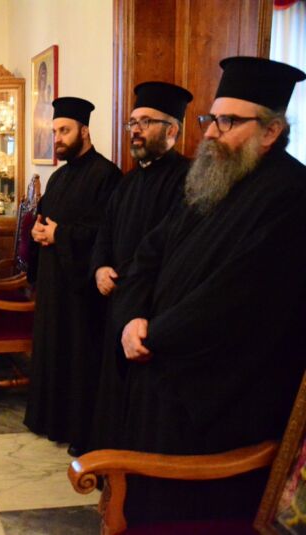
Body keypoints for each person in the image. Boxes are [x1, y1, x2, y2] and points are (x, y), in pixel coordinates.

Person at [114, 56, 306, 524]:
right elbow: (150, 251)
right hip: (157, 362)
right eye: (210, 119)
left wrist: (155, 333)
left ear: (271, 131)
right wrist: (133, 316)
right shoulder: (211, 176)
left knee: (189, 514)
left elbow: (237, 297)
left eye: (229, 121)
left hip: (215, 391)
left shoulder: (291, 194)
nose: (212, 133)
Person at [89, 81, 192, 451]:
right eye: (132, 122)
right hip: (118, 297)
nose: (135, 129)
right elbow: (105, 231)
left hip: (152, 305)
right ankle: (108, 456)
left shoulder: (189, 179)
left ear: (172, 130)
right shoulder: (128, 181)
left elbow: (169, 246)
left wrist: (128, 277)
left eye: (145, 122)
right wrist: (100, 267)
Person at [23, 97, 122, 454]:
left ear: (84, 131)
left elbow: (106, 233)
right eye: (54, 132)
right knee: (52, 351)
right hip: (53, 283)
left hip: (82, 291)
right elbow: (45, 218)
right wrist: (38, 232)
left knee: (80, 357)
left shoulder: (107, 175)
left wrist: (60, 235)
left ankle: (80, 430)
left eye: (64, 131)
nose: (58, 139)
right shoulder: (59, 176)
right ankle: (50, 420)